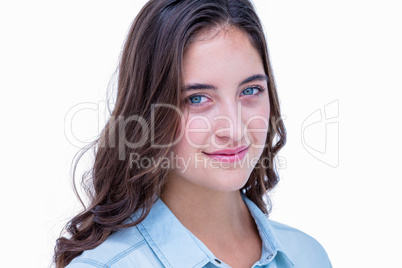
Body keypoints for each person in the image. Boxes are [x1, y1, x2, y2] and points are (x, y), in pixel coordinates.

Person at [54, 0, 332, 267]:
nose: (234, 130)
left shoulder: (309, 257)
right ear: (147, 112)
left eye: (250, 91)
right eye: (198, 99)